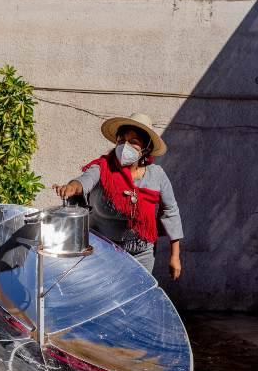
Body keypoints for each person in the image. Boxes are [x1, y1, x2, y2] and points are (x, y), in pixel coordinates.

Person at [53, 113, 183, 278]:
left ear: (146, 149)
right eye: (121, 140)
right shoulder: (103, 168)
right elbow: (84, 181)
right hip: (103, 251)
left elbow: (171, 211)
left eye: (133, 141)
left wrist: (175, 255)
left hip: (142, 254)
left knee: (135, 300)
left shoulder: (156, 175)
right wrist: (72, 187)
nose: (125, 145)